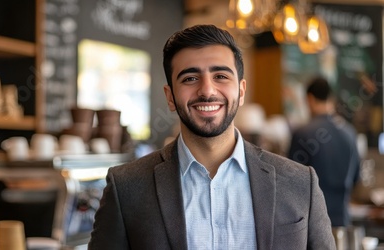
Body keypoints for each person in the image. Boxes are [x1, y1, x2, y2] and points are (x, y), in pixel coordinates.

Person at [88, 24, 335, 250]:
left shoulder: (301, 184)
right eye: (190, 78)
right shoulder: (126, 187)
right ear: (170, 96)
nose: (207, 90)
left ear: (241, 90)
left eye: (221, 76)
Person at [288, 76, 360, 229]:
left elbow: (290, 182)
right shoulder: (350, 132)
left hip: (313, 224)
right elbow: (356, 178)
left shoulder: (303, 133)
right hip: (343, 220)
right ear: (330, 98)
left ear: (310, 99)